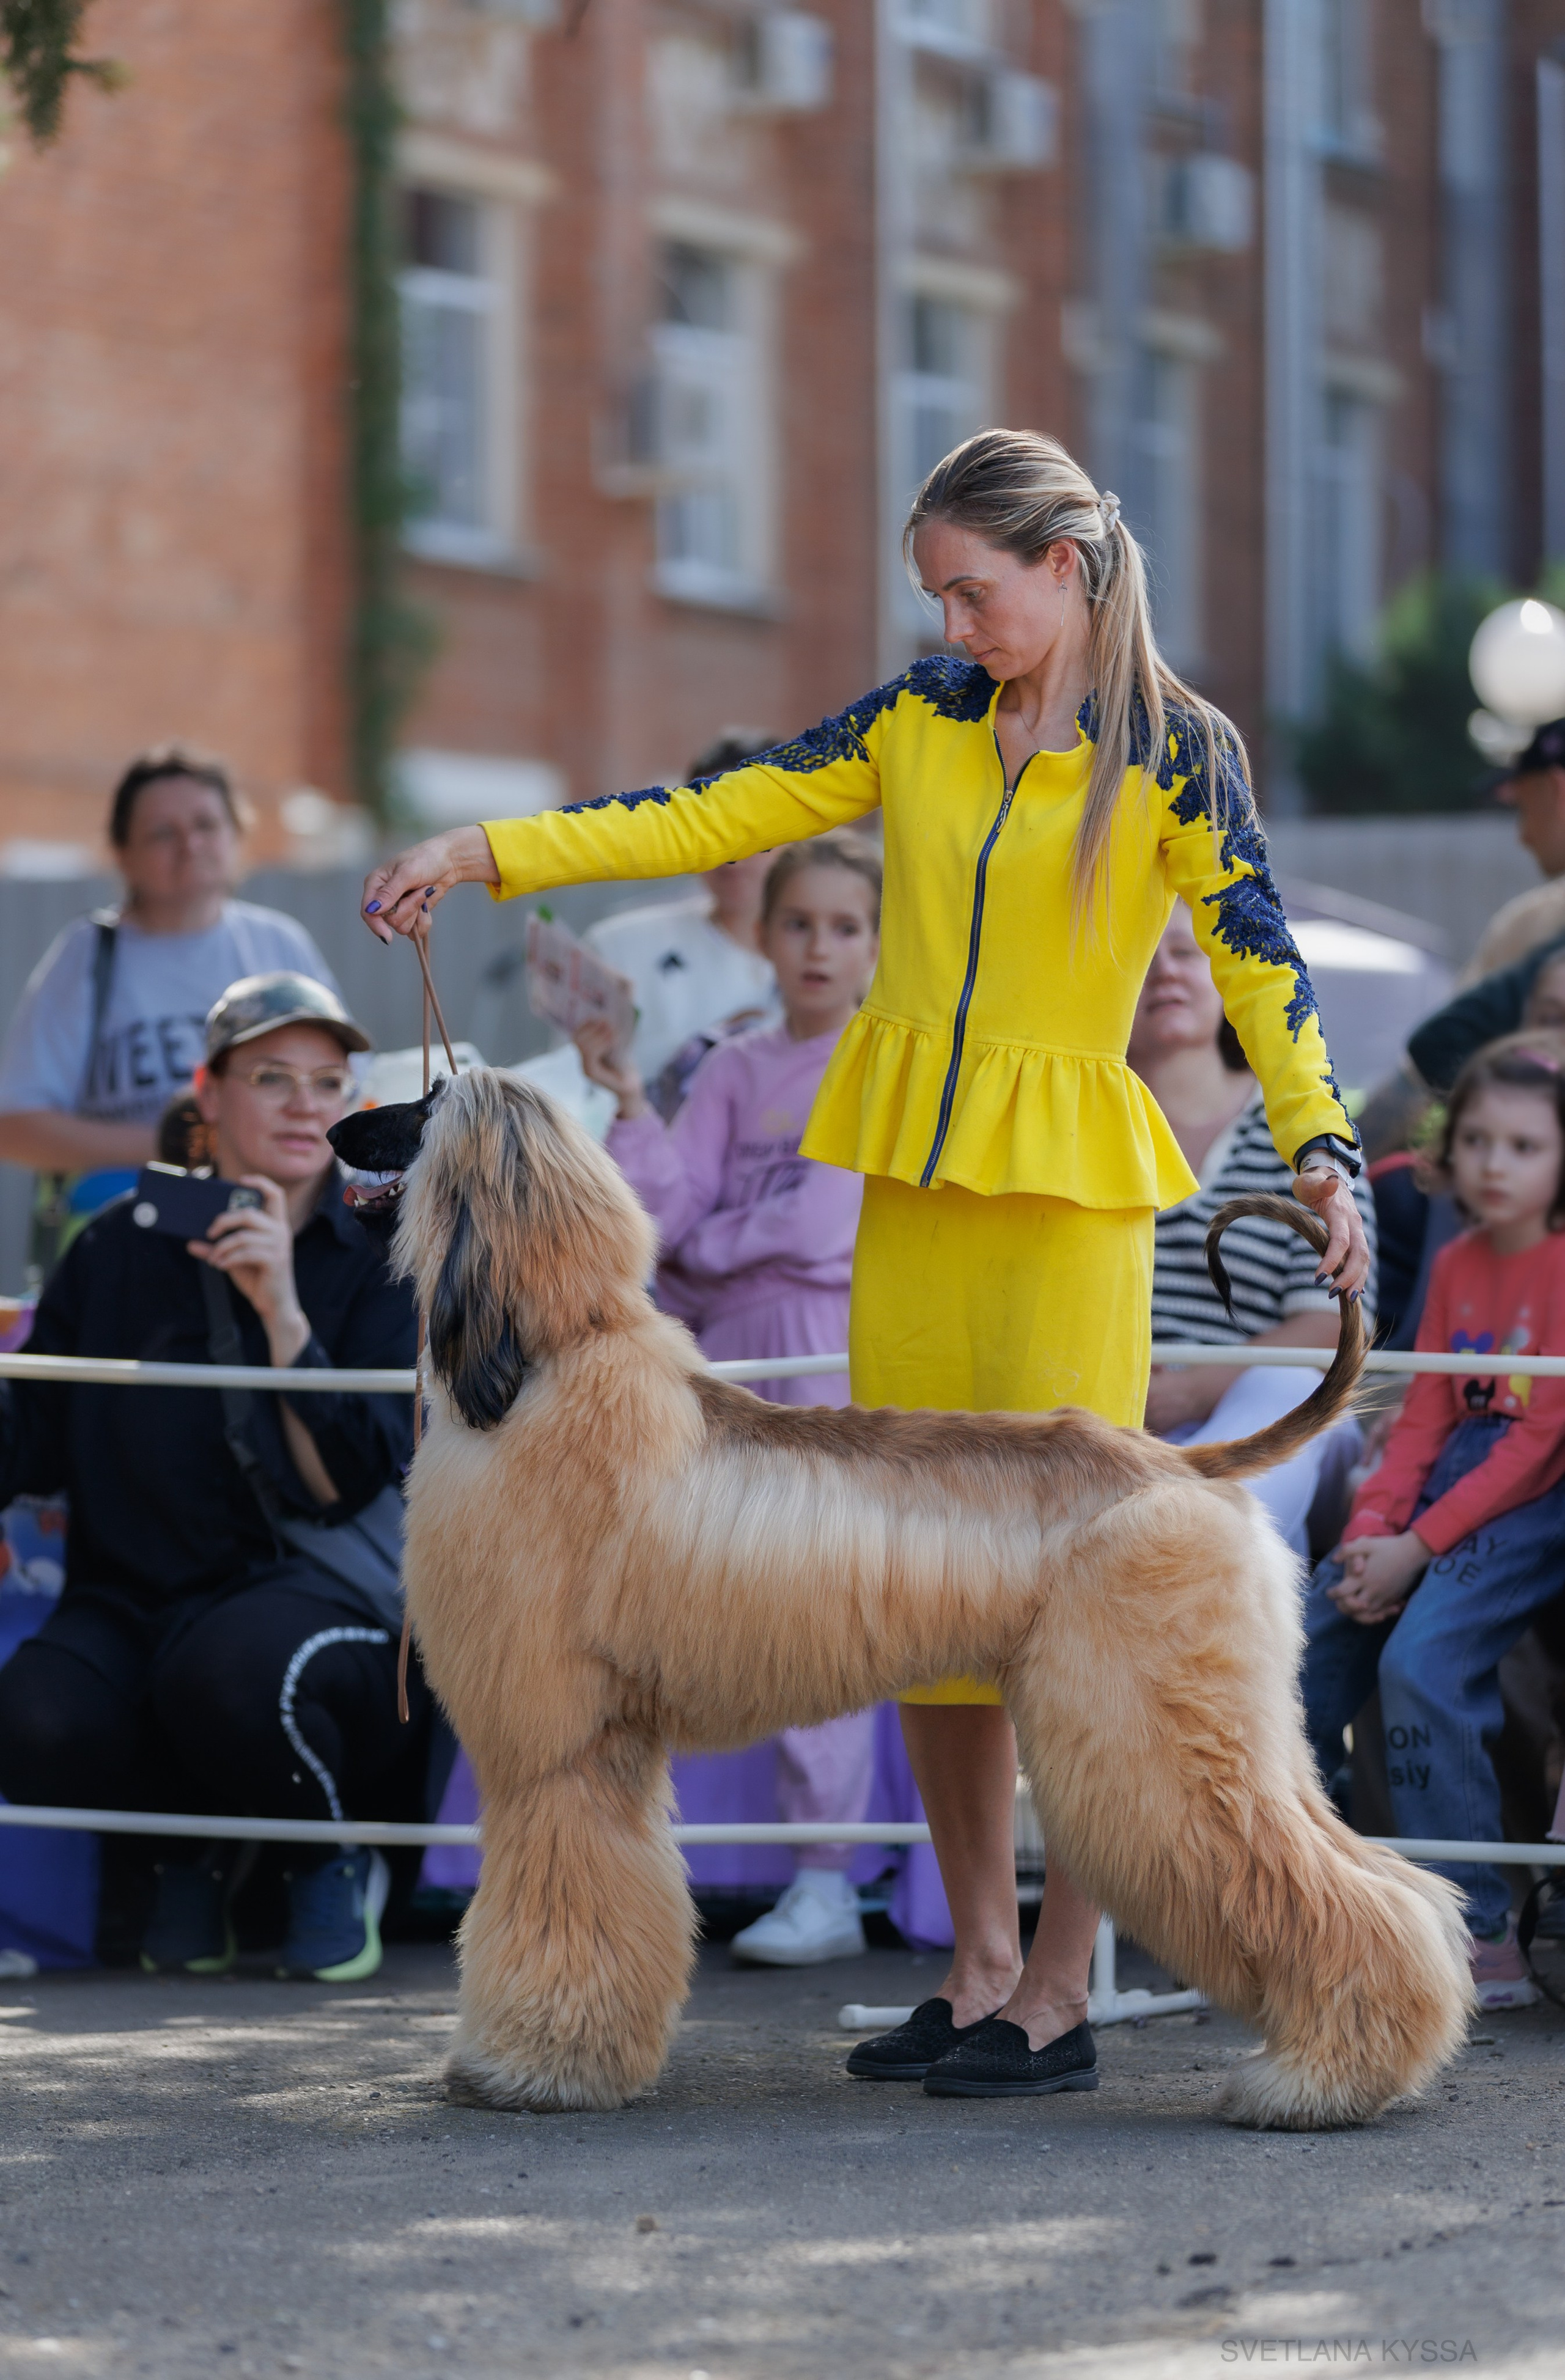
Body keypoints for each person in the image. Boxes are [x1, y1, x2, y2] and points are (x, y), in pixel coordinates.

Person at [359, 426, 1369, 2102]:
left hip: (1065, 1204)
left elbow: (1260, 961)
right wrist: (487, 852)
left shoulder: (1179, 752)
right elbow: (713, 810)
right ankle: (974, 1965)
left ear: (1064, 567)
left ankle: (1061, 1985)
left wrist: (1322, 1143)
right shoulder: (919, 716)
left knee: (1081, 1592)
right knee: (925, 1597)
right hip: (909, 1188)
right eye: (935, 599)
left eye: (972, 592)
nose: (952, 625)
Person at [0, 973, 421, 1983]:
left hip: (314, 1605)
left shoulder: (382, 1251)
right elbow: (32, 1446)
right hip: (131, 1595)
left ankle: (328, 1856)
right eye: (272, 1076)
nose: (305, 1105)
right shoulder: (115, 1244)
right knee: (34, 1714)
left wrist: (281, 1308)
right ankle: (183, 1852)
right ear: (209, 1091)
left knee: (228, 1670)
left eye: (328, 1081)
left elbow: (345, 1484)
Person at [578, 832, 882, 1966]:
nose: (819, 947)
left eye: (845, 926)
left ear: (879, 942)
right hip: (728, 1356)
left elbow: (820, 1225)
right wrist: (626, 1096)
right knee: (737, 1596)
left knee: (822, 1599)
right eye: (798, 923)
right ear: (762, 935)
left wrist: (711, 1245)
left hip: (823, 1349)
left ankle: (830, 1877)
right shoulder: (733, 1064)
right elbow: (665, 1205)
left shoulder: (880, 1057)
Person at [1301, 1034, 1565, 2011]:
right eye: (1479, 1140)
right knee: (1306, 1636)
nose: (1495, 1164)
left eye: (1525, 1146)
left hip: (1527, 1497)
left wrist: (1415, 1549)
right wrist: (1372, 1531)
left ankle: (1478, 1928)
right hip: (1440, 1482)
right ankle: (1296, 1900)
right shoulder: (1455, 1260)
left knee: (1421, 1664)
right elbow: (1422, 1415)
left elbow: (1535, 1442)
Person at [0, 744, 338, 1278]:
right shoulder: (87, 956)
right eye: (163, 832)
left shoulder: (278, 944)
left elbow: (343, 1096)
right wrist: (170, 1146)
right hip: (127, 1245)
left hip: (271, 1233)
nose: (190, 844)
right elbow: (15, 1125)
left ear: (237, 835)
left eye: (206, 824)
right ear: (123, 853)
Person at [1129, 905, 1377, 1555]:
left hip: (1267, 1416)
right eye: (1141, 955)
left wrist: (1193, 1390)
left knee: (1288, 1386)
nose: (1164, 972)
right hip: (1111, 1421)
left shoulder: (1304, 1138)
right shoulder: (1074, 1125)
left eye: (1186, 953)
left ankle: (1195, 1543)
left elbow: (1333, 1324)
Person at [580, 729, 782, 1107]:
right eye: (711, 827)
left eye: (754, 827)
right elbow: (574, 1095)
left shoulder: (853, 962)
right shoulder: (618, 948)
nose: (732, 850)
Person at [1457, 719, 1565, 983]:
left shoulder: (1531, 928)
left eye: (1524, 808)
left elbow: (1468, 1008)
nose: (1523, 838)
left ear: (1557, 790)